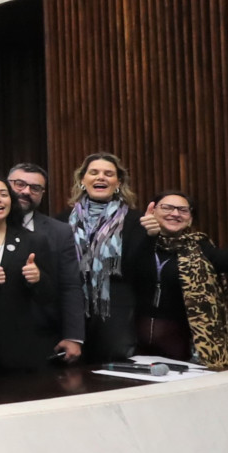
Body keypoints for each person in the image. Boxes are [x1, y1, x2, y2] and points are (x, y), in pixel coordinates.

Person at [129, 192, 228, 367]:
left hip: (181, 344)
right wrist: (149, 236)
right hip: (133, 341)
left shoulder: (199, 247)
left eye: (183, 210)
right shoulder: (135, 241)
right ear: (152, 212)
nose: (175, 213)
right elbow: (130, 267)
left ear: (190, 219)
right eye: (167, 207)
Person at [0, 174, 62, 374]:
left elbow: (49, 295)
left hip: (20, 347)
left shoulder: (33, 241)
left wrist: (37, 278)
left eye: (3, 194)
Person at [66, 152, 144, 361]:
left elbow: (140, 270)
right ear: (82, 180)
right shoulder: (62, 221)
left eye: (108, 174)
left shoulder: (137, 221)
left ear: (118, 183)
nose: (101, 177)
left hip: (116, 313)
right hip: (73, 311)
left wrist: (153, 236)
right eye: (94, 172)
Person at [5, 162, 84, 362]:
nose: (26, 192)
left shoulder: (60, 231)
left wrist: (73, 336)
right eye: (19, 184)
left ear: (42, 193)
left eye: (35, 188)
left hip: (42, 333)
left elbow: (70, 285)